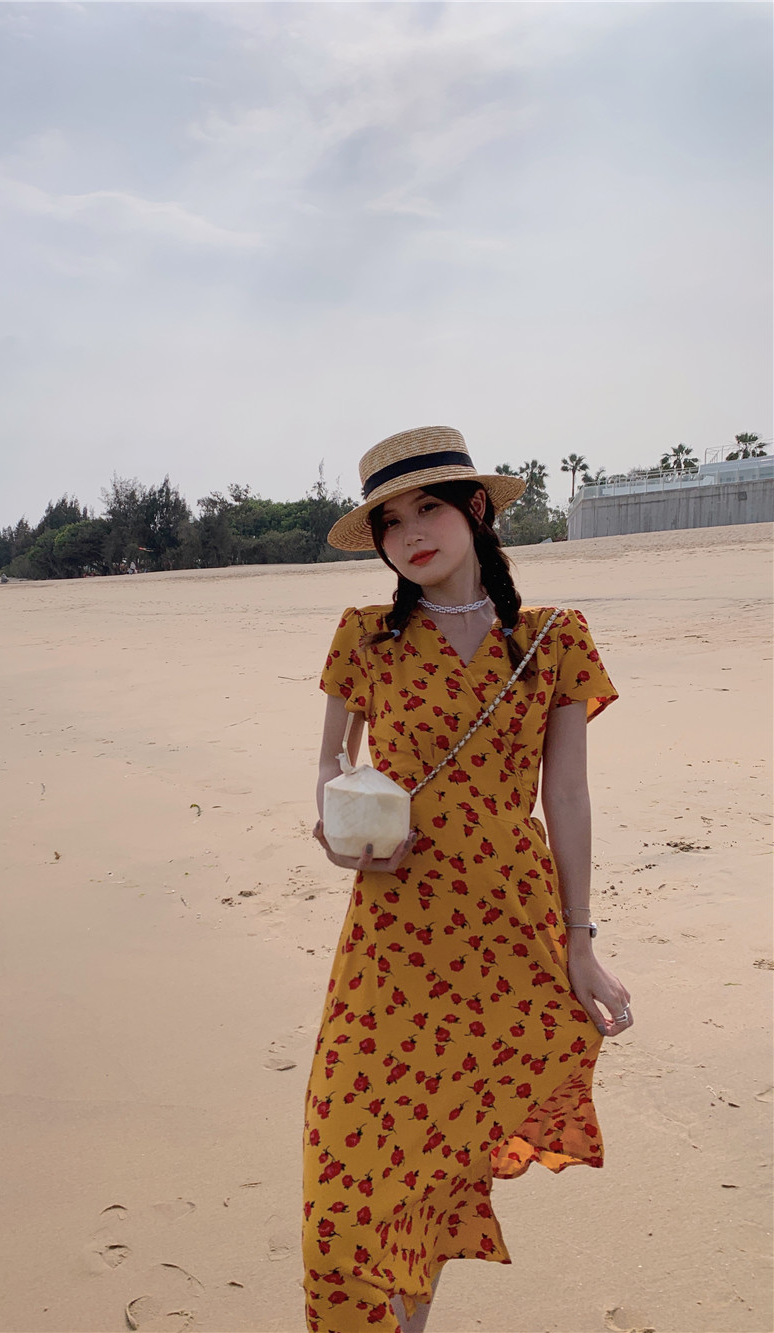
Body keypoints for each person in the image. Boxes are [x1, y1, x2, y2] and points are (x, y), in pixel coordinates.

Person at [303, 426, 630, 1333]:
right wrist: (338, 834)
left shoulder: (554, 638)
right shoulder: (364, 637)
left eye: (429, 508)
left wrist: (581, 944)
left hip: (504, 934)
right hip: (394, 934)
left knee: (442, 1160)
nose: (410, 533)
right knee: (347, 1173)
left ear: (476, 509)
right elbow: (331, 765)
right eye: (390, 521)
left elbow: (567, 796)